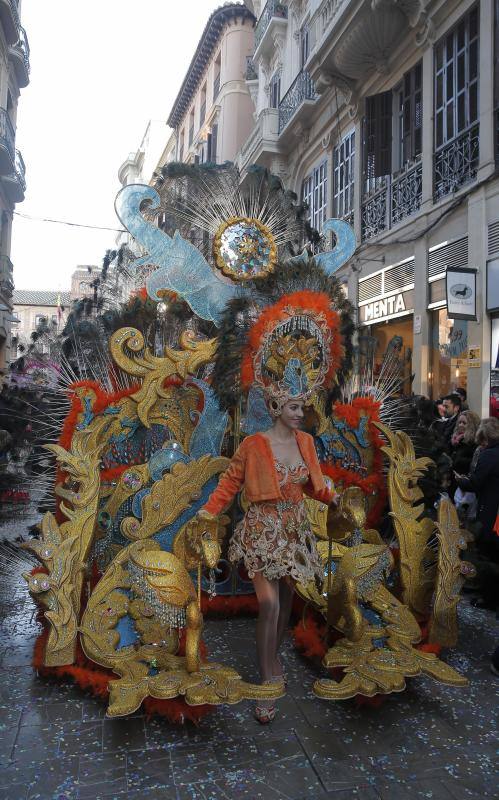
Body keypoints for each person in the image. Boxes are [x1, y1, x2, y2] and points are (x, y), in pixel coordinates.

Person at [198, 398, 338, 723]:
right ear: (276, 408)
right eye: (293, 408)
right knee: (269, 604)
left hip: (295, 532)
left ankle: (274, 659)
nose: (300, 414)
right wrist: (209, 511)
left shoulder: (306, 442)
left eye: (302, 408)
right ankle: (266, 680)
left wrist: (337, 499)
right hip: (262, 529)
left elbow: (317, 487)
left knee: (287, 599)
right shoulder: (254, 444)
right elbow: (230, 482)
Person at [455, 417, 499, 609]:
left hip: (489, 510)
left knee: (488, 554)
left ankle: (489, 597)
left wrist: (460, 480)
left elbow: (475, 483)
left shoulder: (489, 454)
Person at [450, 410, 480, 522]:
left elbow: (474, 462)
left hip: (466, 485)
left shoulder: (474, 442)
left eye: (464, 423)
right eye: (459, 422)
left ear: (471, 425)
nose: (461, 425)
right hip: (453, 481)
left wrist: (458, 460)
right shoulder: (455, 440)